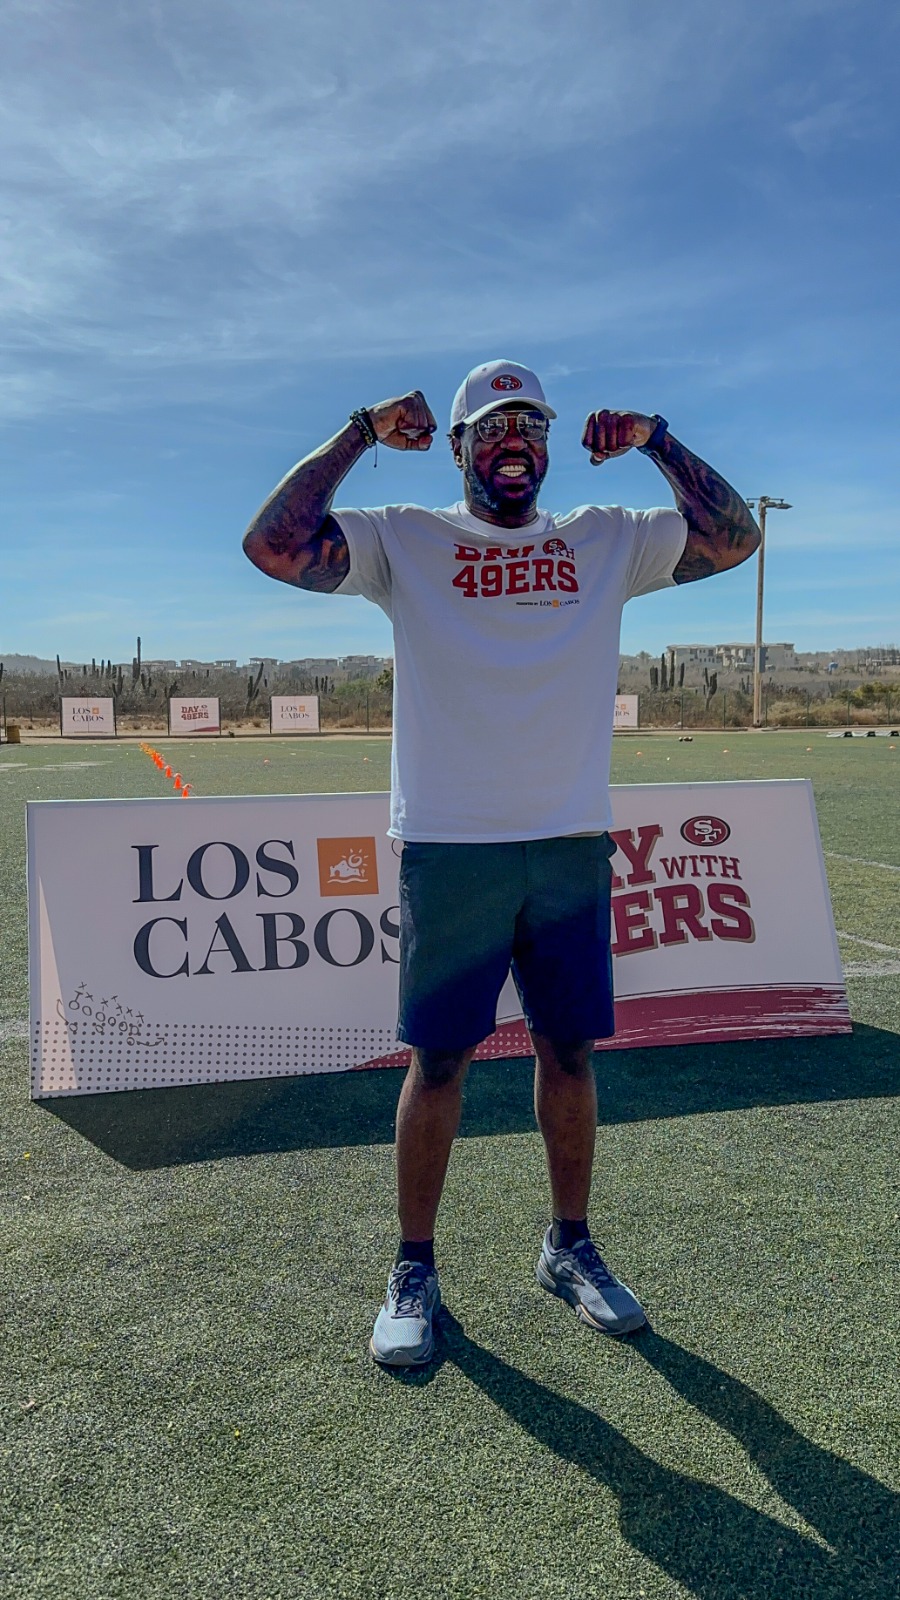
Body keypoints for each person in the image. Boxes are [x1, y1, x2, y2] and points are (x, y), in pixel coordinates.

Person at [242, 359, 760, 1367]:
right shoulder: (405, 538)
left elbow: (734, 538)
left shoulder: (607, 537)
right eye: (492, 425)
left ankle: (570, 1246)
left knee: (569, 1052)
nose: (513, 438)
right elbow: (274, 545)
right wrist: (358, 432)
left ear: (549, 444)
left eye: (530, 423)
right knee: (439, 1061)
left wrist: (655, 438)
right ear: (458, 447)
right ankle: (414, 1268)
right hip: (451, 842)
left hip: (568, 841)